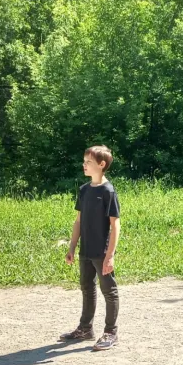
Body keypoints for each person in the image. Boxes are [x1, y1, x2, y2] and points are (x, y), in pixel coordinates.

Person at [59, 145, 122, 351]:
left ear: (101, 165)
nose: (84, 165)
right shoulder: (84, 190)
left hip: (102, 252)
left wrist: (110, 255)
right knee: (87, 288)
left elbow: (115, 225)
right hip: (85, 250)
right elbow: (78, 221)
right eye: (84, 161)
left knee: (109, 291)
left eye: (88, 162)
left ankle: (111, 332)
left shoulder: (108, 191)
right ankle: (85, 329)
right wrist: (72, 247)